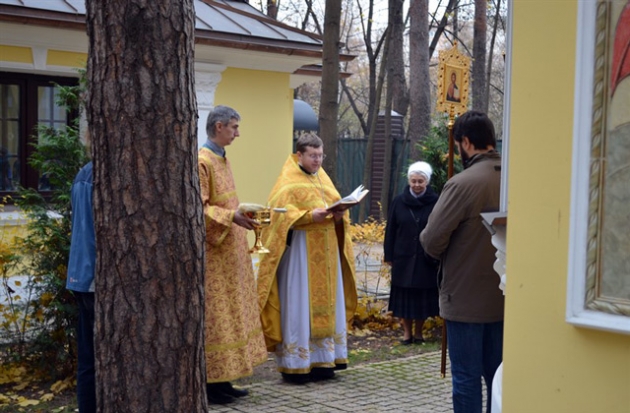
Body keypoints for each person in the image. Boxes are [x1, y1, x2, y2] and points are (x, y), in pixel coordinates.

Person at [257, 132, 357, 384]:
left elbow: (336, 206)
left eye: (320, 155)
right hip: (301, 255)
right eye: (312, 155)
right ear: (299, 155)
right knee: (300, 304)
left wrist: (338, 215)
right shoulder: (287, 181)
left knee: (328, 305)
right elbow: (278, 214)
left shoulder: (323, 179)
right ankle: (297, 363)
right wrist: (307, 216)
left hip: (327, 253)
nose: (317, 160)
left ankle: (324, 361)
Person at [420, 110, 504, 413]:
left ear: (466, 142)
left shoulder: (463, 184)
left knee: (467, 378)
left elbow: (432, 240)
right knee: (498, 377)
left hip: (466, 299)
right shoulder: (516, 176)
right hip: (506, 297)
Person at [198, 105, 267, 404]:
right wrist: (231, 218)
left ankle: (225, 380)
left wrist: (241, 216)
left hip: (231, 253)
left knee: (232, 316)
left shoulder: (221, 159)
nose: (238, 134)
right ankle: (211, 385)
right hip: (214, 258)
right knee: (217, 318)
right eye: (234, 128)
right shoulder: (202, 161)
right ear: (218, 127)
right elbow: (197, 209)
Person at [383, 161, 439, 345]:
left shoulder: (435, 201)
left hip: (425, 257)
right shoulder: (399, 201)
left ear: (427, 182)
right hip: (403, 256)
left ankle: (419, 332)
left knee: (422, 298)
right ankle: (407, 333)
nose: (416, 185)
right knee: (405, 298)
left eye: (420, 181)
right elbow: (390, 229)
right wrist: (388, 255)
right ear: (409, 181)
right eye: (413, 181)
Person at [66, 161, 96, 413]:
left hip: (79, 274)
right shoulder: (102, 175)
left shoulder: (83, 172)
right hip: (95, 277)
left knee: (88, 359)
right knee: (97, 359)